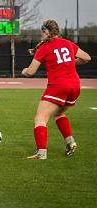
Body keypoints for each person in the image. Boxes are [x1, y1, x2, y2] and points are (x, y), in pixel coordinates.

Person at [22, 19, 91, 160]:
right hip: (75, 86)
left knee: (40, 118)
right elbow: (87, 58)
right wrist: (70, 63)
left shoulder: (44, 48)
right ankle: (70, 142)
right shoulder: (67, 43)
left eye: (42, 30)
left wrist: (24, 71)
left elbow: (31, 72)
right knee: (59, 114)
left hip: (59, 86)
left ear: (45, 31)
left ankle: (41, 153)